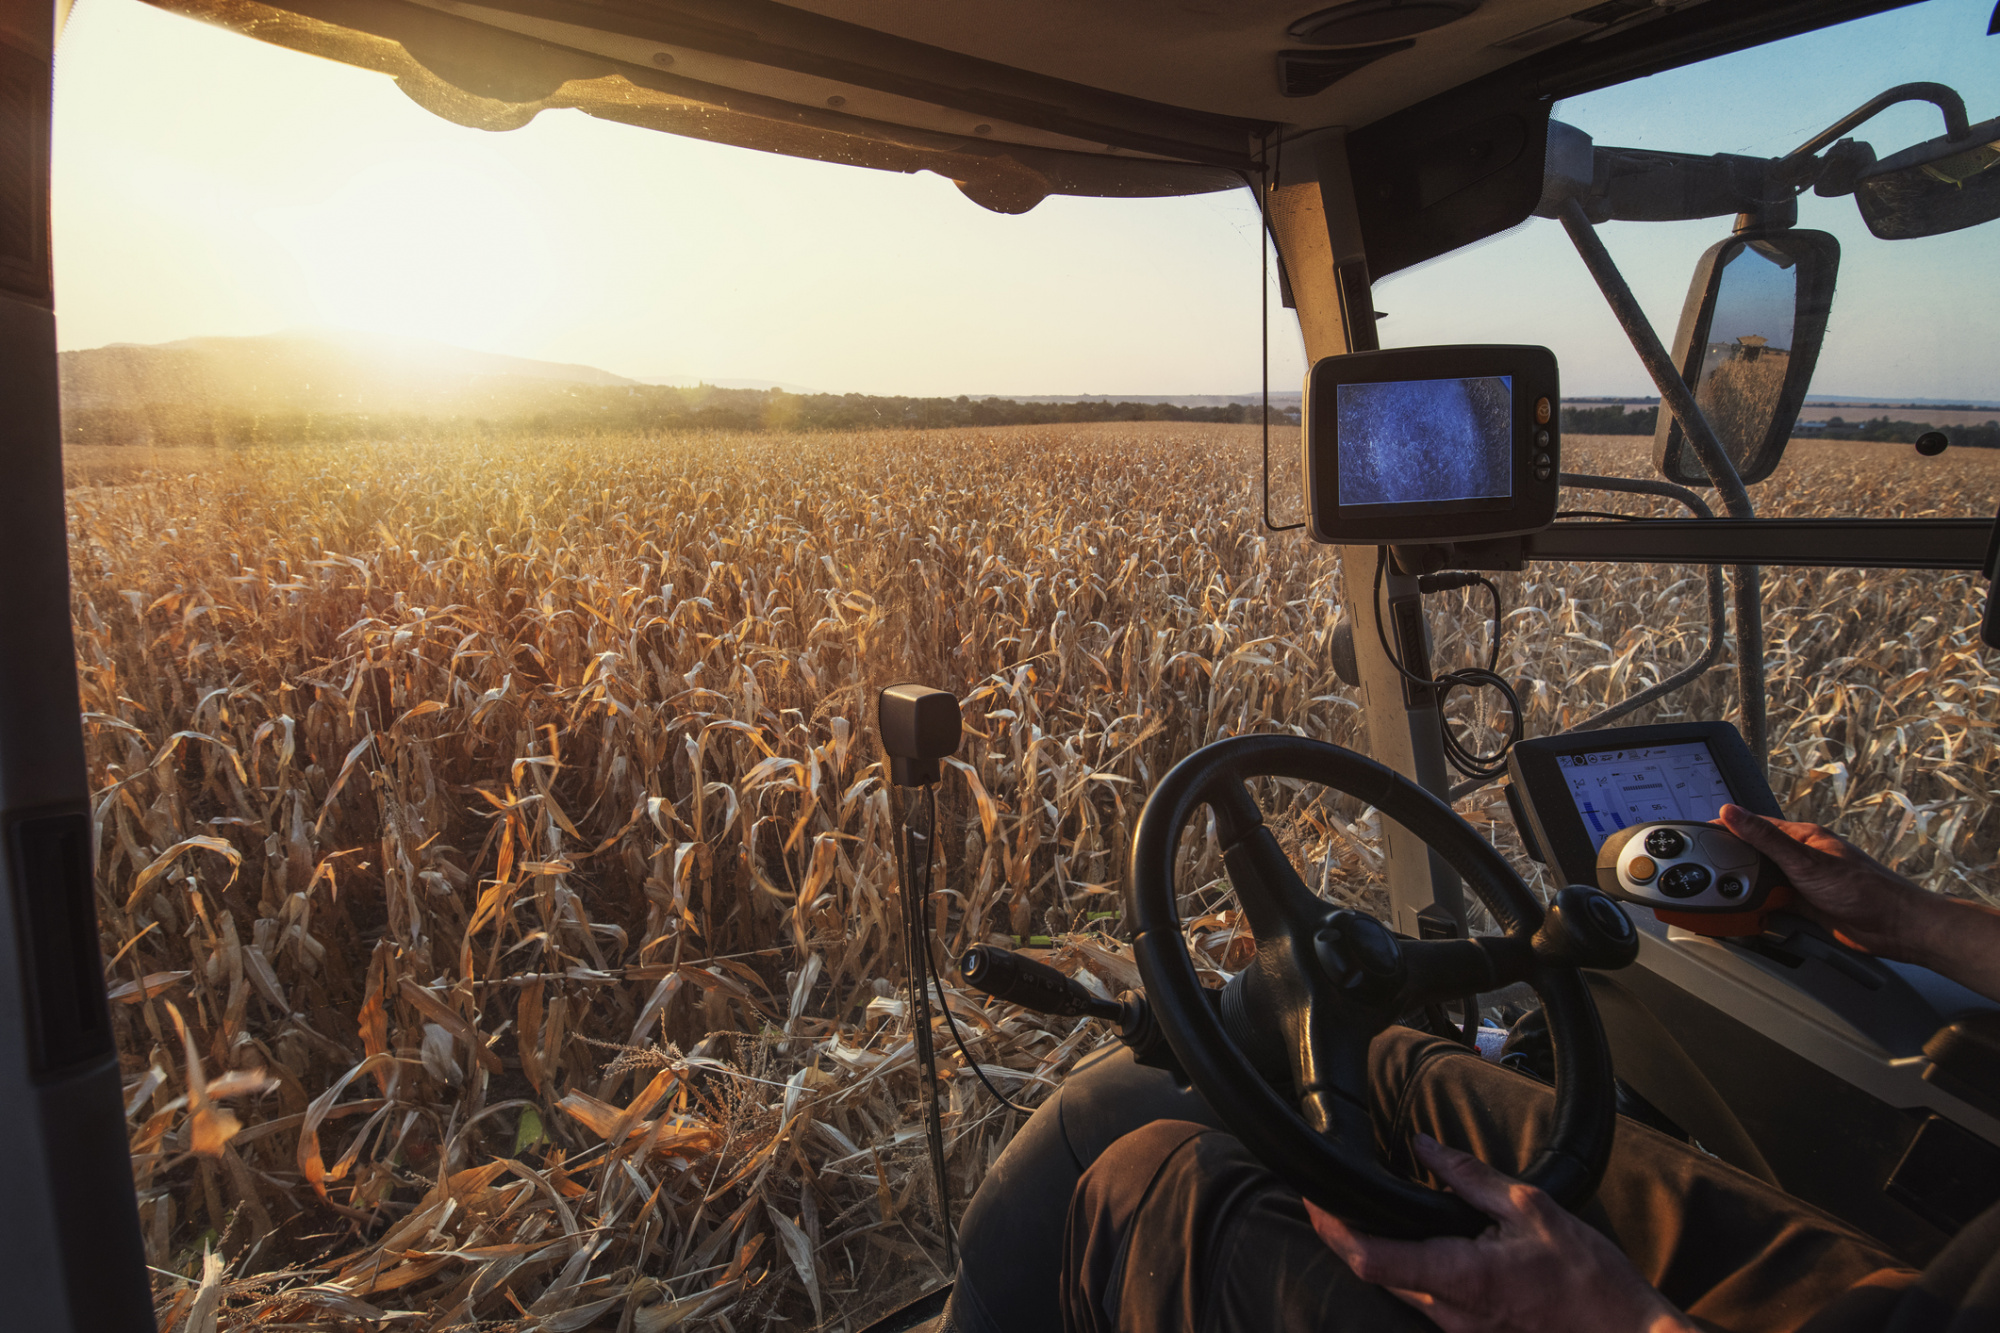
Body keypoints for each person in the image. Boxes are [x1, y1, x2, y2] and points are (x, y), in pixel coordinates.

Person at [1056, 805, 2000, 1333]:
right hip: (1918, 1305)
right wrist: (1908, 918)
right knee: (1387, 1063)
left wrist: (1618, 1320)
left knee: (1150, 1184)